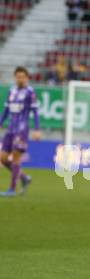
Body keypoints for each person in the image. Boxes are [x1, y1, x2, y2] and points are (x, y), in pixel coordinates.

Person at [0, 66, 41, 197]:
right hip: (10, 128)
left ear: (27, 78)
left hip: (22, 129)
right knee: (3, 158)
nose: (20, 79)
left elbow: (35, 112)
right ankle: (23, 178)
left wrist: (36, 129)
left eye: (23, 77)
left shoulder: (30, 92)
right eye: (18, 77)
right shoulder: (11, 91)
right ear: (14, 77)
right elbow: (6, 111)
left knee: (16, 157)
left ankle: (12, 189)